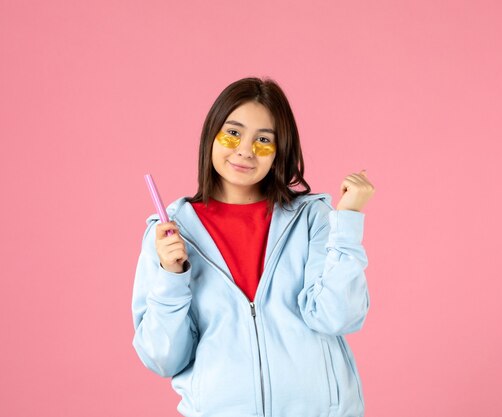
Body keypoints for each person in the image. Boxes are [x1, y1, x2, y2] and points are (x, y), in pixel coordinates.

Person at [132, 77, 375, 417]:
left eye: (263, 140)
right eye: (232, 133)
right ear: (211, 135)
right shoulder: (171, 233)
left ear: (279, 151)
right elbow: (164, 357)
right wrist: (171, 276)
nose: (245, 150)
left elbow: (338, 316)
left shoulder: (312, 219)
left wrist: (346, 221)